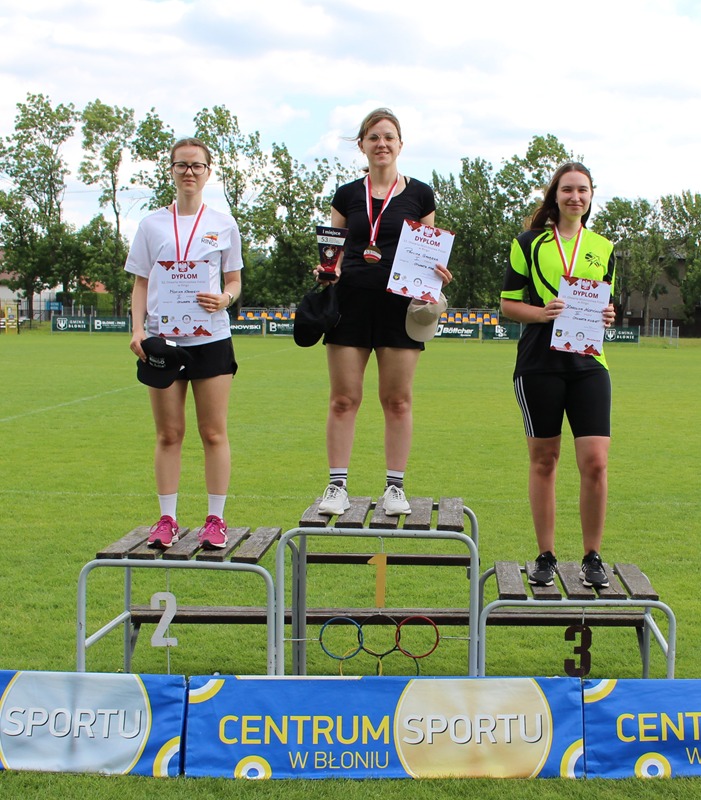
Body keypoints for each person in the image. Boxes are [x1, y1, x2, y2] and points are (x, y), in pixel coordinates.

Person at [314, 108, 452, 517]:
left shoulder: (420, 195)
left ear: (400, 144)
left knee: (398, 401)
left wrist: (438, 275)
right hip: (350, 304)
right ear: (362, 145)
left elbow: (429, 251)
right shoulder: (346, 195)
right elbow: (334, 250)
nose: (382, 144)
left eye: (389, 137)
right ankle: (337, 486)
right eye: (374, 137)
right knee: (343, 399)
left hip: (399, 308)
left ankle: (395, 488)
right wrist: (328, 269)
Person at [500, 162, 616, 589]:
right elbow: (508, 304)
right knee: (545, 460)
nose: (575, 197)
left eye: (583, 190)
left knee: (596, 462)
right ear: (556, 195)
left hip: (589, 364)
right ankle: (545, 556)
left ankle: (592, 556)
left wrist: (609, 315)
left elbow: (606, 304)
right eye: (568, 189)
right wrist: (541, 313)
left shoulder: (603, 247)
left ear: (591, 196)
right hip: (539, 364)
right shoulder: (528, 243)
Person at [125, 137, 243, 549]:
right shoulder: (151, 224)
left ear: (208, 172)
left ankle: (216, 520)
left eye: (197, 165)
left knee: (213, 432)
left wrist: (225, 298)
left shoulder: (224, 224)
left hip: (211, 339)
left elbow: (234, 280)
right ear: (172, 170)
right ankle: (167, 520)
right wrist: (137, 329)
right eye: (181, 165)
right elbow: (141, 283)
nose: (189, 172)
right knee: (169, 433)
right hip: (162, 341)